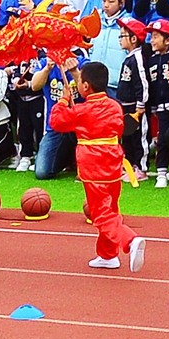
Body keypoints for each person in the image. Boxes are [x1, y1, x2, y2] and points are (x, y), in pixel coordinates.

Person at [50, 63, 144, 272]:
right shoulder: (115, 106)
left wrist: (64, 100)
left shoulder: (82, 110)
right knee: (111, 209)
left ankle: (129, 240)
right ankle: (108, 255)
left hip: (93, 165)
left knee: (100, 213)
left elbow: (56, 122)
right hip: (113, 162)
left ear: (86, 86)